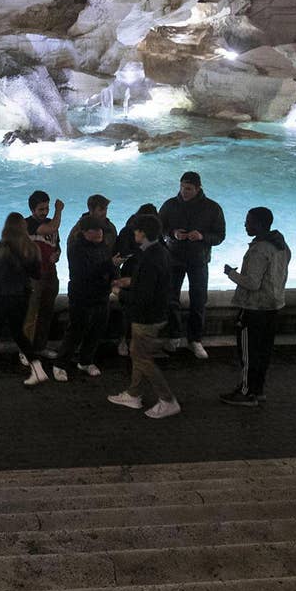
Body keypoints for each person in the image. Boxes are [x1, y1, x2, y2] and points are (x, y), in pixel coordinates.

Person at [109, 212, 181, 419]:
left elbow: (143, 296)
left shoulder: (150, 257)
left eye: (136, 231)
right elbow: (152, 283)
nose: (133, 234)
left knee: (142, 358)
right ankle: (133, 393)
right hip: (158, 312)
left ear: (142, 233)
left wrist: (119, 292)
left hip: (146, 316)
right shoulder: (160, 252)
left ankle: (167, 399)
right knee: (138, 353)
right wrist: (129, 281)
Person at [221, 207, 292, 407]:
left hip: (254, 308)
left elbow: (252, 283)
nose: (245, 224)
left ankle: (246, 393)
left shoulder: (259, 249)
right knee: (263, 352)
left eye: (249, 222)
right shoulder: (281, 245)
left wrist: (231, 274)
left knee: (248, 353)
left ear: (260, 225)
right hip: (273, 305)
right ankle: (258, 390)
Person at [158, 170, 226, 360]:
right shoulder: (170, 205)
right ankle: (174, 336)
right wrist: (171, 234)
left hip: (199, 260)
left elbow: (220, 235)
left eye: (188, 189)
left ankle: (195, 340)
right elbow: (158, 228)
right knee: (171, 299)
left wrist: (202, 236)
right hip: (174, 258)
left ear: (198, 188)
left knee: (199, 299)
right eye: (182, 188)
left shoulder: (212, 208)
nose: (184, 192)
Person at [0, 211, 42, 386]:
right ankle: (38, 369)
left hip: (0, 297)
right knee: (19, 334)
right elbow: (37, 274)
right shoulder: (31, 248)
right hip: (21, 298)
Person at [56, 217, 115, 378]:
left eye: (100, 230)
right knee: (76, 330)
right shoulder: (76, 248)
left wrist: (115, 279)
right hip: (82, 294)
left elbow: (108, 266)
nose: (99, 233)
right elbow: (84, 273)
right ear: (84, 232)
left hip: (101, 294)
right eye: (94, 230)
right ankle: (60, 364)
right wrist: (110, 265)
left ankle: (85, 361)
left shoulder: (103, 246)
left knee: (97, 329)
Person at [23, 190, 66, 383]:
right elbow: (51, 228)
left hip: (50, 274)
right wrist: (59, 210)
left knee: (47, 312)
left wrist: (57, 254)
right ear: (32, 209)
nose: (45, 211)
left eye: (47, 208)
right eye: (41, 208)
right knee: (31, 314)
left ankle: (40, 346)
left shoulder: (50, 224)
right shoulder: (29, 224)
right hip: (33, 277)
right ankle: (26, 350)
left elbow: (56, 242)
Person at [110, 202, 156, 358]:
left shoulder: (153, 233)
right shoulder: (128, 231)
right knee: (128, 309)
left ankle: (137, 342)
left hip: (147, 273)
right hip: (130, 272)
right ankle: (123, 340)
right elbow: (121, 252)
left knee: (143, 308)